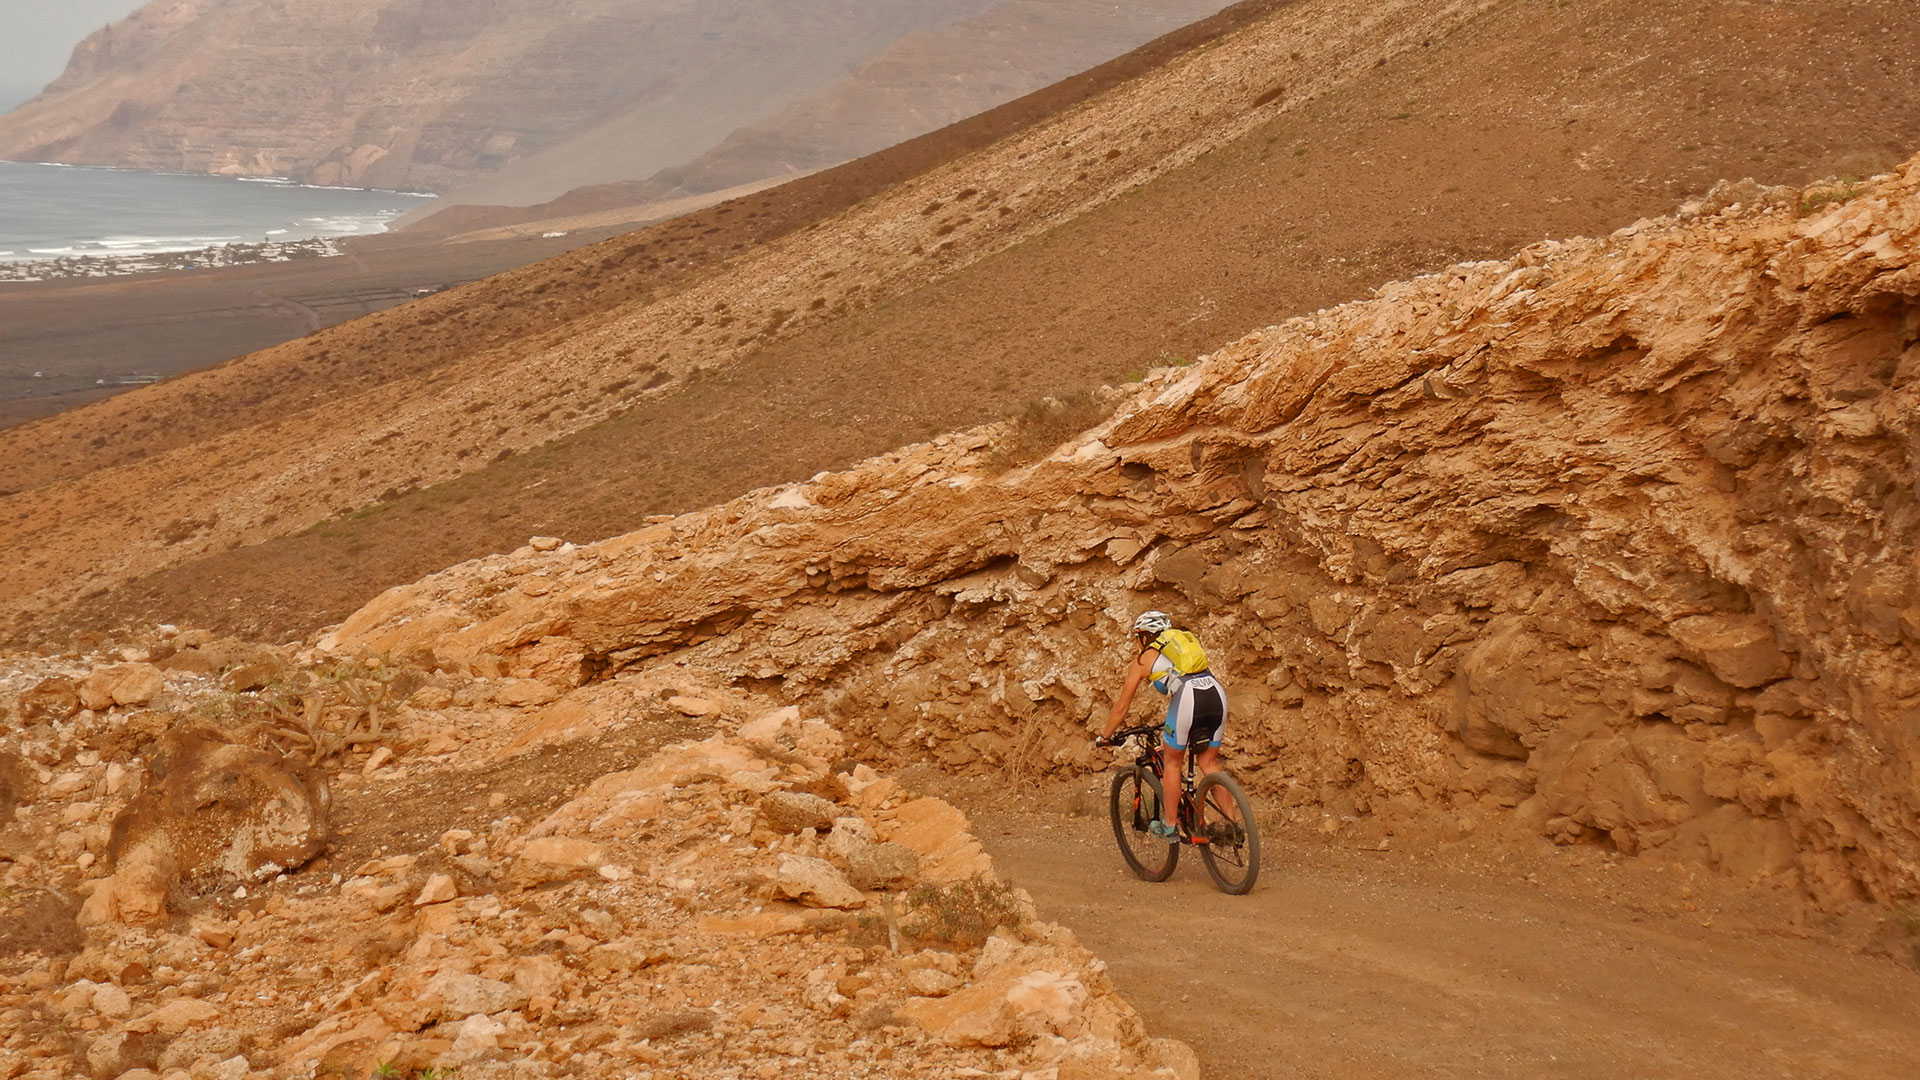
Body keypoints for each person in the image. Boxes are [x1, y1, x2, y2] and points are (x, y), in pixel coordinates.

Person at [1096, 610, 1231, 839]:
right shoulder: (1182, 646)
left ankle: (1169, 826)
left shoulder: (1143, 660)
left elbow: (1121, 708)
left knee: (1171, 762)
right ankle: (1233, 826)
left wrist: (1106, 736)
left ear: (1144, 636)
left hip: (1188, 698)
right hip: (1215, 692)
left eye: (1137, 637)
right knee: (1208, 761)